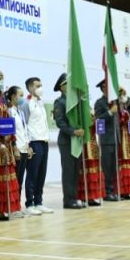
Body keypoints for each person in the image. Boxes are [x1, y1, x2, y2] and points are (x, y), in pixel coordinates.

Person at [0, 75, 21, 221]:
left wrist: (13, 145)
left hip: (7, 143)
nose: (0, 81)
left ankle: (7, 208)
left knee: (9, 177)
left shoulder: (2, 99)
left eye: (2, 78)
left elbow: (9, 122)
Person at [18, 77, 52, 215]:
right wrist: (28, 145)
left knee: (42, 174)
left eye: (41, 85)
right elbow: (23, 125)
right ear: (30, 88)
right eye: (38, 86)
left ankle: (39, 202)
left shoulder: (40, 103)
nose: (40, 88)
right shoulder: (26, 104)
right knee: (32, 173)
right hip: (34, 142)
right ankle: (29, 204)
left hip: (44, 141)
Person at [53, 73, 86, 208]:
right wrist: (73, 131)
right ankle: (68, 200)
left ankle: (74, 197)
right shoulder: (59, 102)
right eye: (67, 83)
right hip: (66, 141)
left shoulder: (75, 101)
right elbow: (60, 122)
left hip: (76, 140)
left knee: (75, 170)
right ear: (61, 87)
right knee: (68, 171)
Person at [94, 80, 119, 202]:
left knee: (114, 167)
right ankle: (107, 192)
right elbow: (98, 119)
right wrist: (110, 112)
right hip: (106, 140)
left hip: (116, 139)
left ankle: (113, 190)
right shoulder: (100, 102)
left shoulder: (115, 102)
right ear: (103, 88)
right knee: (107, 167)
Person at [9, 86, 30, 212]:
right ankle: (13, 207)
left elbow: (24, 130)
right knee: (15, 180)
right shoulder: (9, 111)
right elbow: (12, 132)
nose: (22, 98)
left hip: (24, 148)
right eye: (20, 95)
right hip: (16, 150)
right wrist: (15, 147)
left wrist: (28, 146)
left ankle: (18, 206)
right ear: (13, 96)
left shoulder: (20, 112)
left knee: (20, 179)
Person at [116, 90, 130, 198]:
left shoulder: (126, 112)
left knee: (129, 162)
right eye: (121, 95)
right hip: (121, 140)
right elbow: (119, 123)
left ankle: (128, 190)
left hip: (128, 140)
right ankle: (121, 191)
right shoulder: (117, 111)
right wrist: (125, 119)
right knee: (122, 162)